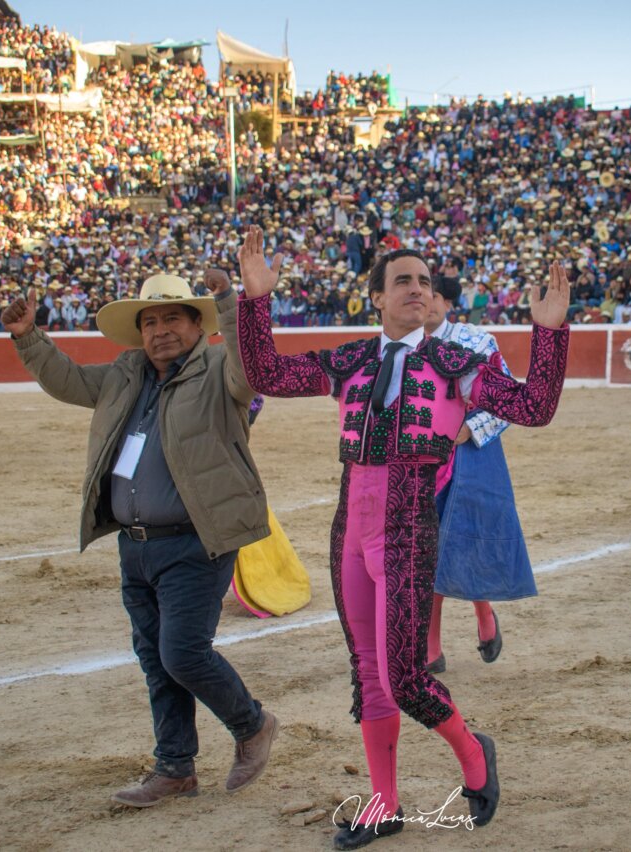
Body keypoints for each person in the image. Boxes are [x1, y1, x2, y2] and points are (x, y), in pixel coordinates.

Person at [230, 225, 572, 848]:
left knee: (404, 678)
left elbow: (535, 407)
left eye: (425, 281)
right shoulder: (352, 360)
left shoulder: (457, 365)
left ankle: (473, 754)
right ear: (378, 299)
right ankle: (383, 804)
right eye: (403, 281)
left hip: (410, 527)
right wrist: (255, 301)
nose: (418, 289)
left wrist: (550, 333)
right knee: (367, 673)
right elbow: (268, 374)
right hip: (350, 528)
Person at [0, 271, 279, 809]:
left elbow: (252, 370)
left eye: (173, 317)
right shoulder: (128, 373)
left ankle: (252, 724)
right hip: (136, 542)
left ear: (197, 325)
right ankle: (175, 767)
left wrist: (228, 303)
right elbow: (69, 381)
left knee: (182, 653)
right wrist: (28, 338)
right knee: (155, 658)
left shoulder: (221, 368)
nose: (160, 330)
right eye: (150, 321)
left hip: (198, 539)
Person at [421, 276, 536, 675]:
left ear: (448, 302)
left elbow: (508, 399)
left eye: (435, 295)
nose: (428, 302)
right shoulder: (400, 345)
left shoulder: (477, 341)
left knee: (466, 540)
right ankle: (431, 646)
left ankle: (484, 617)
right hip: (423, 457)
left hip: (472, 454)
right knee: (427, 547)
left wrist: (470, 429)